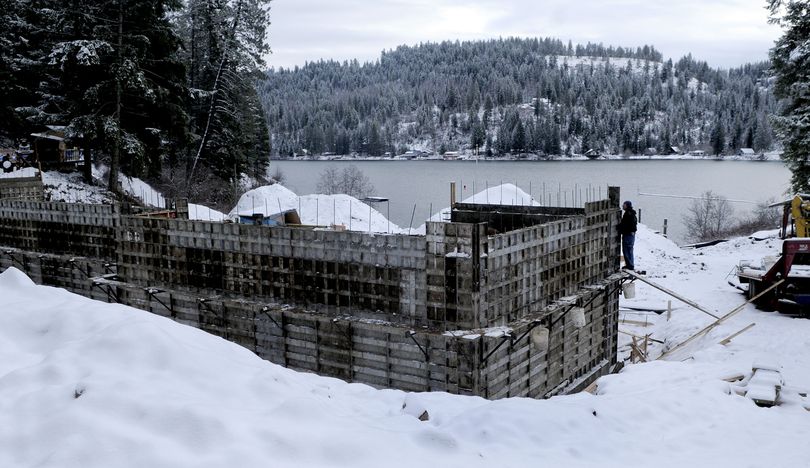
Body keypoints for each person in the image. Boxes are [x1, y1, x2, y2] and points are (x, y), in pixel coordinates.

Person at [619, 200, 637, 270]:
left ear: (627, 205)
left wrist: (620, 228)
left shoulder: (628, 214)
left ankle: (630, 265)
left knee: (627, 250)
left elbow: (626, 225)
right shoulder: (632, 213)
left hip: (628, 235)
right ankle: (630, 265)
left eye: (624, 205)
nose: (623, 206)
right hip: (630, 235)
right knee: (629, 250)